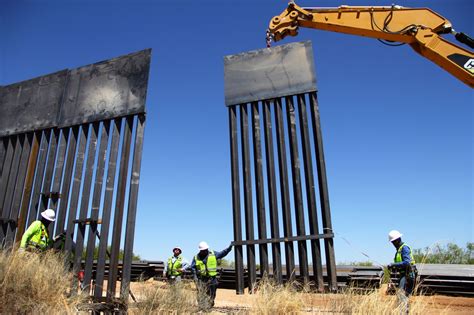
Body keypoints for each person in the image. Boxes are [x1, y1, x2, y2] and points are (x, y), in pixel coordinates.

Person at [191, 241, 232, 311]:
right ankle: (202, 307)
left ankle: (209, 305)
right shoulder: (196, 257)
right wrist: (195, 278)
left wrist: (230, 247)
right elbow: (193, 268)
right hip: (201, 279)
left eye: (206, 250)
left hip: (212, 279)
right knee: (201, 293)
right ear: (200, 250)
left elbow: (222, 253)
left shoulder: (213, 254)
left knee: (212, 293)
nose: (205, 251)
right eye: (203, 250)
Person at [387, 230, 417, 314]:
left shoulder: (404, 248)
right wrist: (393, 267)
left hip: (408, 275)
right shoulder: (399, 250)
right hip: (404, 274)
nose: (392, 244)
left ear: (397, 240)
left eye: (393, 242)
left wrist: (393, 264)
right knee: (403, 297)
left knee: (402, 296)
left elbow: (407, 262)